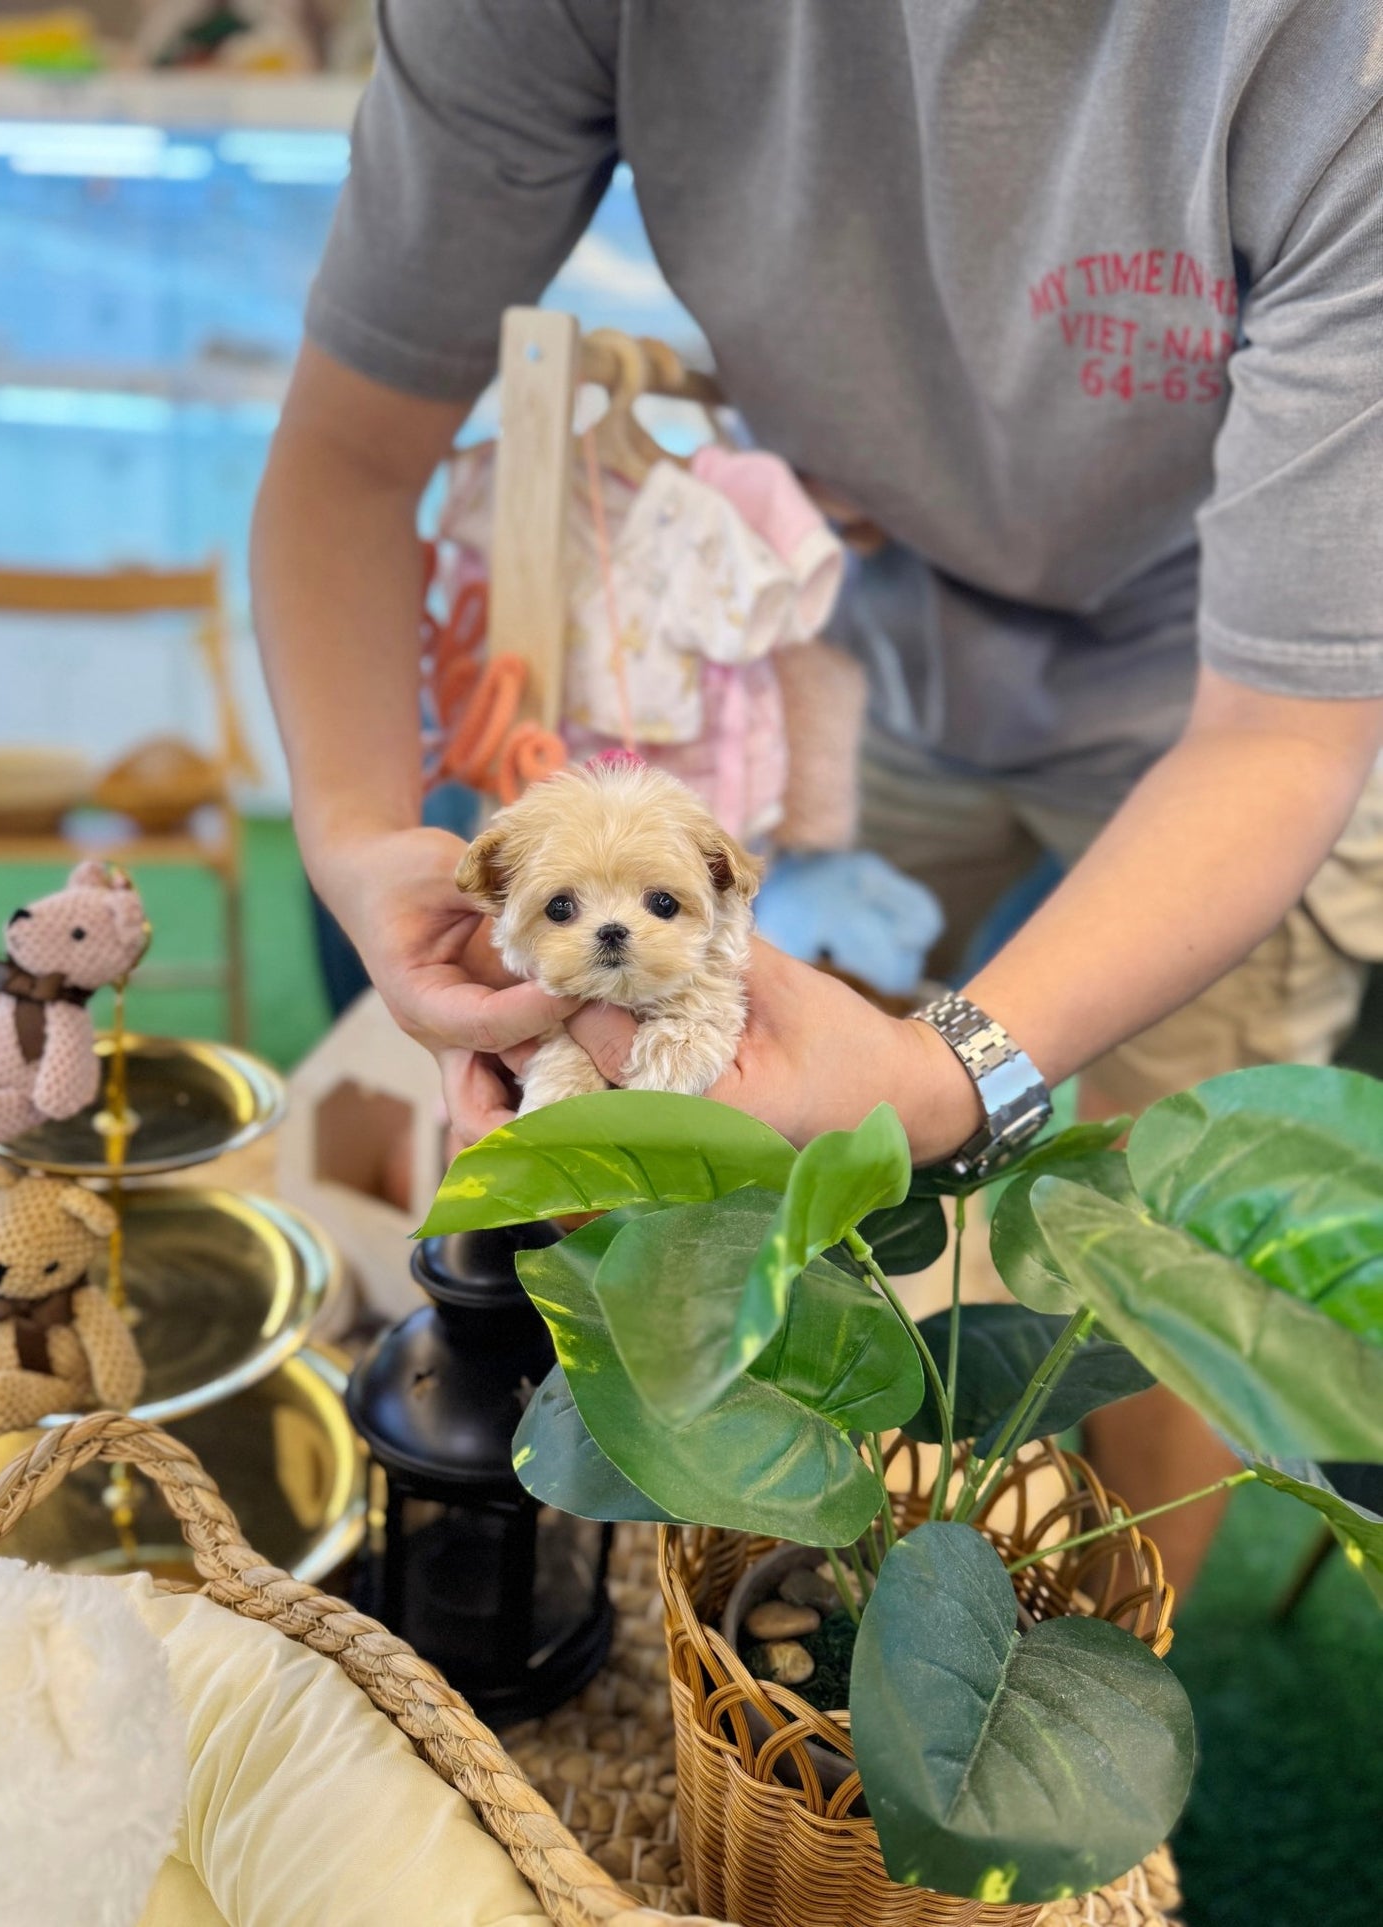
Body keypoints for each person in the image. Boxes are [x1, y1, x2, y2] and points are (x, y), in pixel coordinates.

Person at [253, 3, 1383, 1593]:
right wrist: (368, 842)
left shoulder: (1328, 60)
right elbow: (354, 454)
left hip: (1226, 695)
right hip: (868, 644)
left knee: (1163, 1258)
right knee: (769, 1164)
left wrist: (949, 1074)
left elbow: (1277, 738)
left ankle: (1122, 1630)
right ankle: (778, 1564)